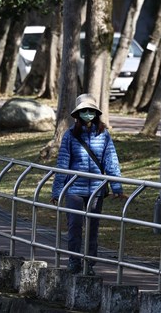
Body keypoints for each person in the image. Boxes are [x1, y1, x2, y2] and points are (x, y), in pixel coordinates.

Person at [51, 93, 126, 275]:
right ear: (77, 114)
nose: (87, 114)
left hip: (97, 189)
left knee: (93, 227)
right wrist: (57, 190)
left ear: (96, 113)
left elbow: (111, 162)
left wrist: (117, 187)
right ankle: (73, 260)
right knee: (74, 226)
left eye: (90, 110)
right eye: (83, 111)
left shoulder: (104, 135)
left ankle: (90, 263)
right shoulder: (70, 135)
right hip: (74, 189)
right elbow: (62, 163)